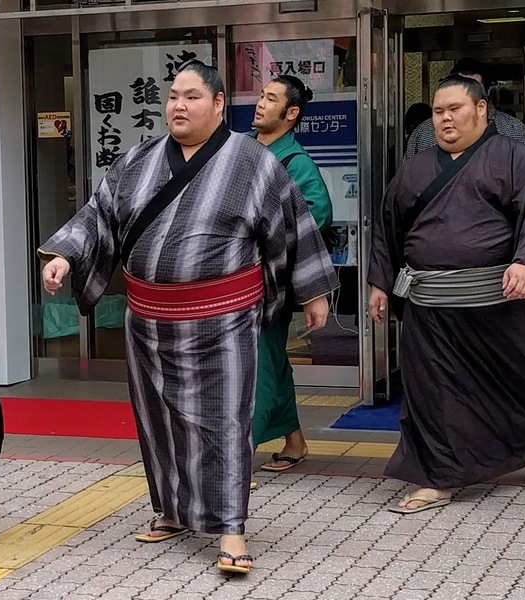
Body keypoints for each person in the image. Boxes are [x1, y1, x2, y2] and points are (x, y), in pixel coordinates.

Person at [39, 61, 337, 574]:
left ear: (218, 104)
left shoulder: (253, 162)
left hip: (223, 320)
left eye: (192, 96)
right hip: (148, 321)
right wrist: (65, 255)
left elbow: (293, 226)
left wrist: (313, 293)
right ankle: (173, 511)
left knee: (224, 421)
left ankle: (231, 529)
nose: (178, 105)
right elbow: (99, 213)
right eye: (174, 95)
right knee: (160, 422)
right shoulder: (139, 159)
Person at [368, 74, 525, 514]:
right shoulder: (417, 167)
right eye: (438, 112)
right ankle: (435, 477)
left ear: (481, 109)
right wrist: (380, 282)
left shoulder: (517, 157)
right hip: (431, 303)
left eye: (454, 109)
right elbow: (388, 223)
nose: (445, 119)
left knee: (520, 380)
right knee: (432, 390)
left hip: (499, 299)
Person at [405, 57, 525, 246]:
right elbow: (406, 190)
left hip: (498, 238)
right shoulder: (426, 132)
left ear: (486, 94)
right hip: (436, 236)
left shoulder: (512, 129)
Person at [249, 75, 332, 473]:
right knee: (270, 361)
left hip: (268, 282)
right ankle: (295, 441)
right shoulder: (242, 148)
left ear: (291, 113)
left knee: (257, 365)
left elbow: (318, 213)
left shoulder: (295, 163)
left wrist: (268, 238)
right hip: (237, 278)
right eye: (261, 96)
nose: (260, 103)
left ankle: (236, 455)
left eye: (271, 98)